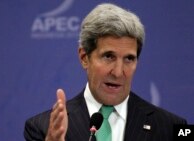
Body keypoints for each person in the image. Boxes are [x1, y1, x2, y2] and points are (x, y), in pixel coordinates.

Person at [24, 3, 187, 141]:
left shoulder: (172, 128)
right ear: (84, 57)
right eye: (109, 56)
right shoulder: (42, 128)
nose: (117, 72)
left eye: (129, 59)